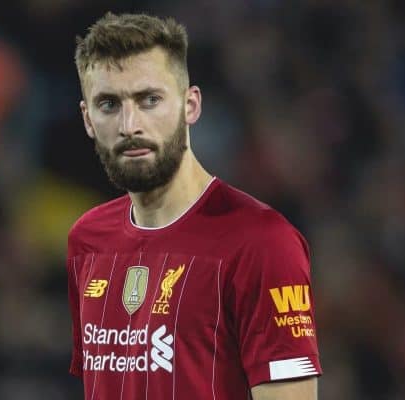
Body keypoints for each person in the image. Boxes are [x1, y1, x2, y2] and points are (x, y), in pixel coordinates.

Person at [67, 12, 322, 399]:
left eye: (149, 99)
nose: (129, 125)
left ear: (191, 105)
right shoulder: (87, 240)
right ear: (88, 119)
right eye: (108, 104)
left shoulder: (262, 243)